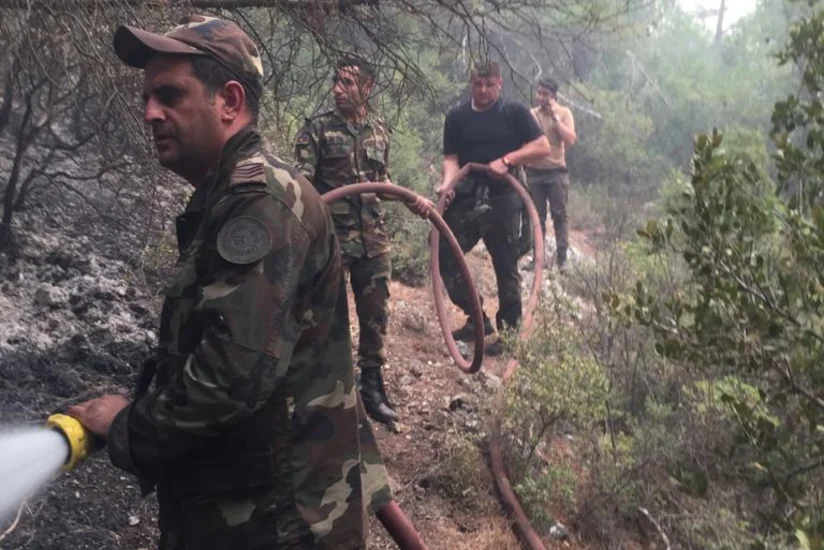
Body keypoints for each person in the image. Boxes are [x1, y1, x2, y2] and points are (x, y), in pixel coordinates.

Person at [66, 15, 392, 549]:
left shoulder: (261, 201)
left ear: (230, 102)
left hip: (278, 524)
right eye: (147, 97)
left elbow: (230, 377)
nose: (150, 112)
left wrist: (126, 425)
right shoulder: (230, 195)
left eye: (169, 95)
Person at [294, 57, 431, 424]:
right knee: (326, 316)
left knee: (375, 317)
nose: (339, 89)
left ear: (367, 88)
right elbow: (303, 188)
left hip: (374, 240)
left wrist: (412, 199)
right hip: (333, 242)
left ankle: (371, 385)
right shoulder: (317, 130)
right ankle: (324, 394)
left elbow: (380, 181)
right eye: (336, 82)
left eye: (348, 83)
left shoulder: (379, 129)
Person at [437, 61, 551, 356]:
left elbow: (542, 147)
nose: (484, 90)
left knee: (505, 265)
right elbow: (451, 157)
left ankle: (510, 336)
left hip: (504, 197)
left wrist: (509, 159)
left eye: (489, 85)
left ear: (499, 84)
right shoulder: (457, 117)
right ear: (470, 84)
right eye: (478, 84)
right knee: (442, 251)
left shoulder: (514, 113)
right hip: (467, 194)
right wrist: (448, 184)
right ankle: (477, 320)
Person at [525, 77, 577, 270]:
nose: (541, 97)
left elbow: (570, 139)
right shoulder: (531, 114)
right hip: (535, 173)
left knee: (559, 215)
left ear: (554, 96)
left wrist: (556, 120)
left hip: (556, 172)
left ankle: (562, 259)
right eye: (539, 93)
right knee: (536, 217)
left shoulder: (564, 113)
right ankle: (537, 260)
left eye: (545, 94)